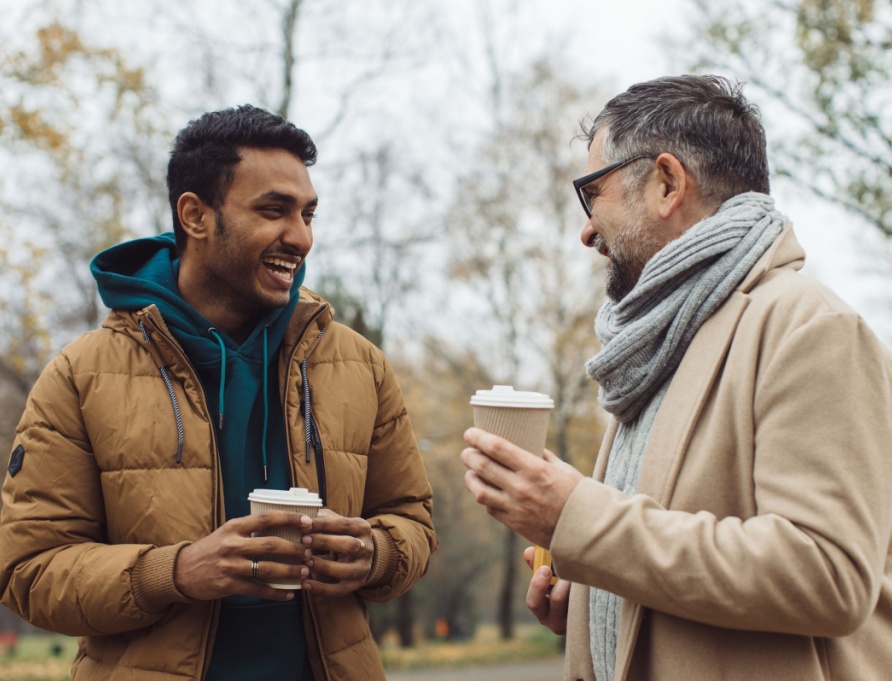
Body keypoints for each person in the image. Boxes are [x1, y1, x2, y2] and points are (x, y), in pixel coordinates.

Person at [460, 75, 892, 681]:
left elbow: (826, 575)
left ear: (666, 183)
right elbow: (668, 559)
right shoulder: (660, 344)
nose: (586, 229)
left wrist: (575, 516)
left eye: (593, 193)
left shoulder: (811, 328)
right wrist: (593, 596)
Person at [0, 104, 437, 681]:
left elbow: (413, 521)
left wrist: (376, 553)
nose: (301, 237)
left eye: (308, 214)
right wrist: (175, 572)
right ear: (195, 215)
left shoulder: (360, 365)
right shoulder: (82, 375)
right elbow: (28, 570)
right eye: (273, 210)